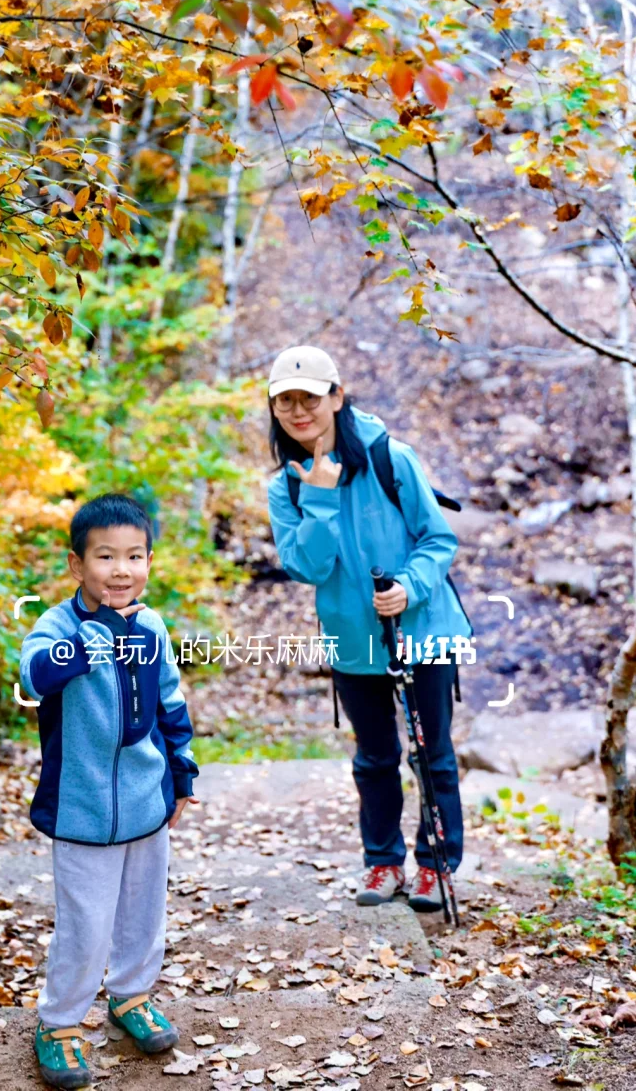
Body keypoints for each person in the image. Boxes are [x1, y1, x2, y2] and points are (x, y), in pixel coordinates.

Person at [266, 345, 466, 912]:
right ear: (275, 409)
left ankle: (436, 866)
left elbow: (438, 539)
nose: (298, 409)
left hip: (422, 630)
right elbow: (306, 567)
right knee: (374, 757)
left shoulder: (390, 458)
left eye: (310, 397)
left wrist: (411, 585)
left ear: (337, 395)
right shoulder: (286, 486)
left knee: (433, 754)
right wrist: (322, 499)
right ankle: (383, 863)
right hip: (352, 643)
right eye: (286, 401)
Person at [19, 493, 198, 1089]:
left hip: (148, 798)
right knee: (85, 921)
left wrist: (183, 773)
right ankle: (61, 1021)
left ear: (149, 561)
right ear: (77, 566)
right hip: (83, 806)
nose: (121, 570)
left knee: (144, 912)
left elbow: (171, 701)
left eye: (135, 557)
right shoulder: (56, 627)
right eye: (105, 558)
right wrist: (85, 642)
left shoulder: (150, 625)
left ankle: (130, 994)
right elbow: (34, 676)